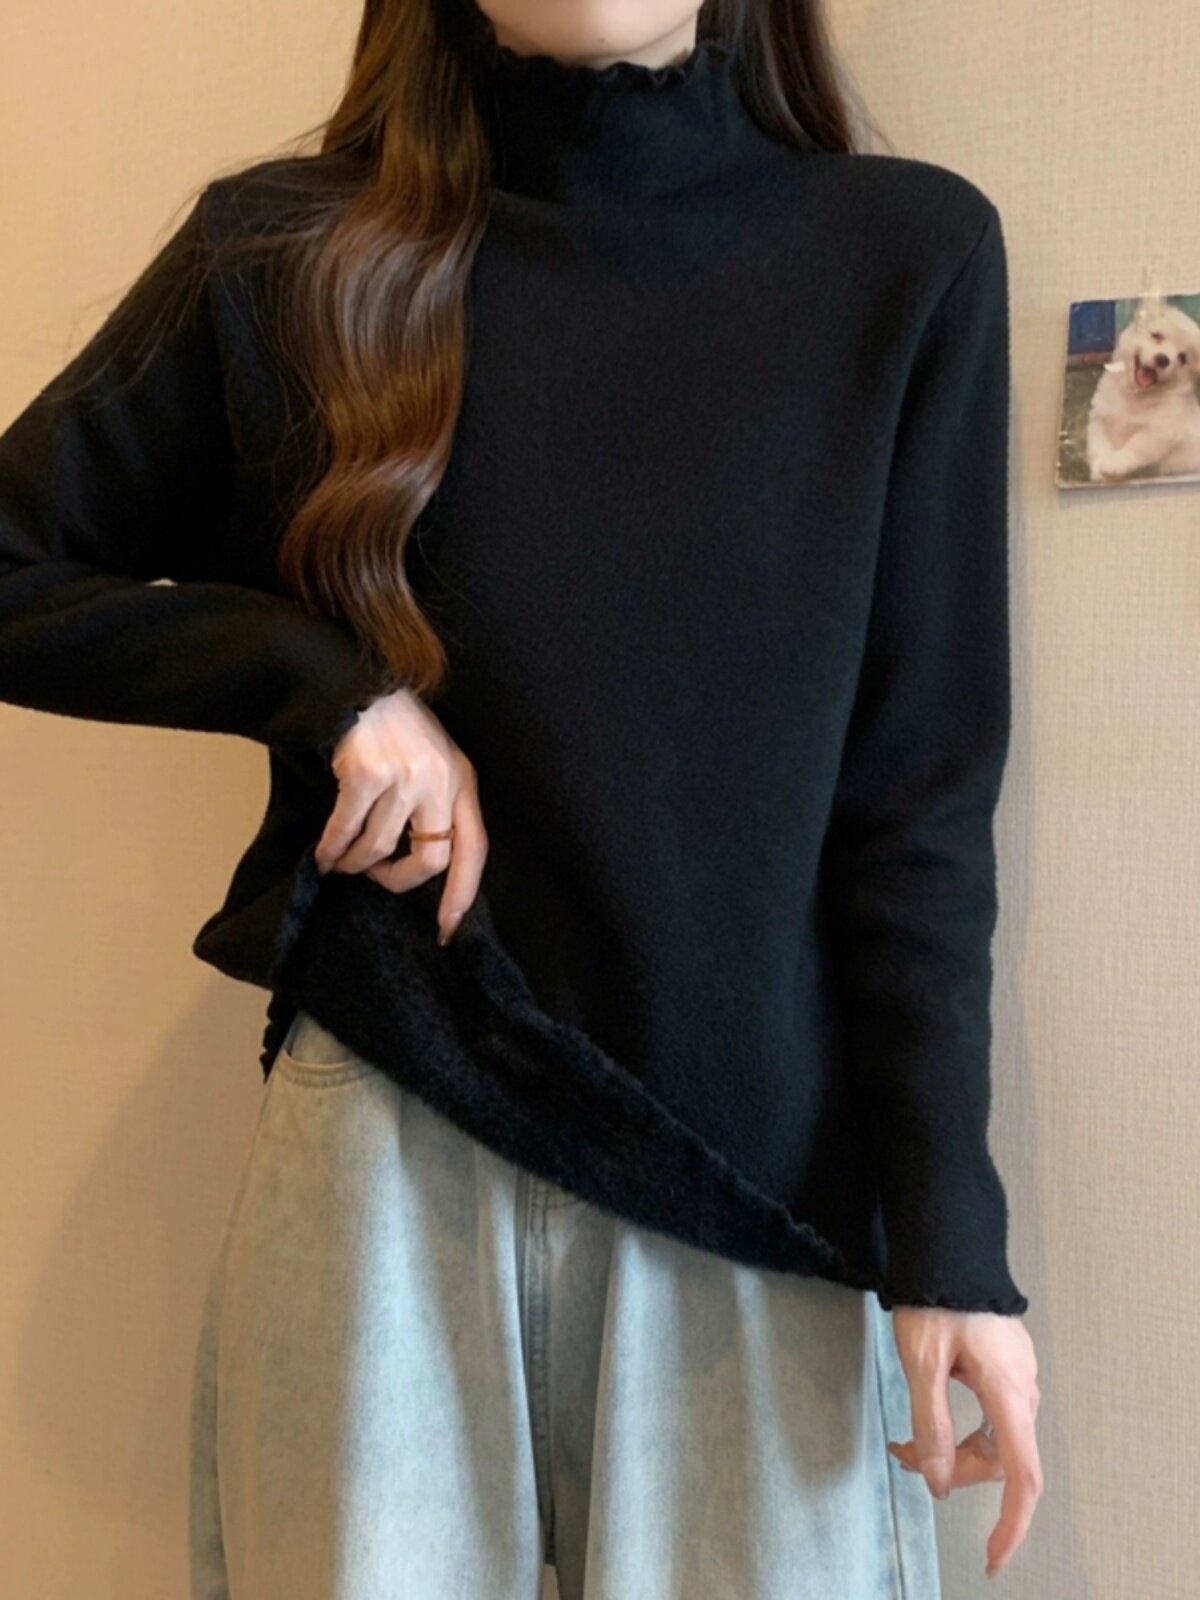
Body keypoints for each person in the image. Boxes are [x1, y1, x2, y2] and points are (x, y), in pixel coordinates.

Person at [0, 1, 1043, 1594]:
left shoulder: (904, 258)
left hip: (752, 1190)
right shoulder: (288, 253)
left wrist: (952, 1245)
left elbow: (916, 802)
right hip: (386, 1156)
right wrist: (322, 686)